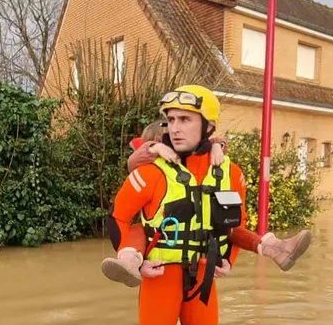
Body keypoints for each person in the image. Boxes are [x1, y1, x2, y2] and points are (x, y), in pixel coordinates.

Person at [105, 84, 254, 325]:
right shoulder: (150, 172)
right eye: (171, 120)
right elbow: (117, 217)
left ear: (208, 126)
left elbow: (237, 222)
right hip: (159, 277)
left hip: (202, 276)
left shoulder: (231, 173)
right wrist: (136, 263)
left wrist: (229, 258)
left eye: (185, 120)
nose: (175, 128)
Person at [101, 121, 312, 288]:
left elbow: (205, 146)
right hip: (159, 235)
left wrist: (215, 146)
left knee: (227, 225)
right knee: (137, 230)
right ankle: (130, 261)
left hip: (195, 236)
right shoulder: (150, 162)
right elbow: (137, 161)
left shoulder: (194, 160)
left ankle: (275, 247)